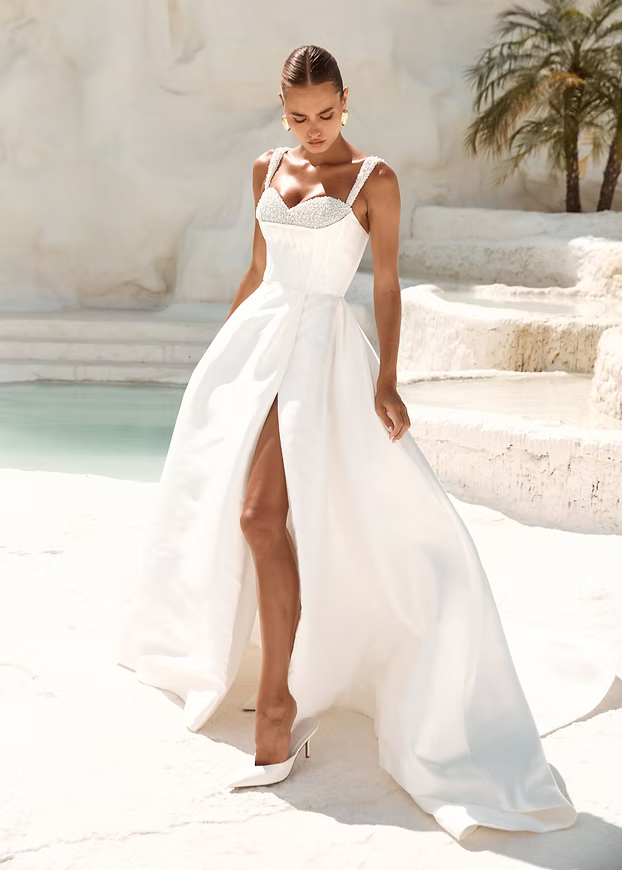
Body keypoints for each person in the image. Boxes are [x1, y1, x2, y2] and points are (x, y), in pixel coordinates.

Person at [117, 45, 614, 841]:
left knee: (264, 516)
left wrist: (389, 379)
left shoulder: (372, 179)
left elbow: (385, 285)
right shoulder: (264, 168)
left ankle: (280, 698)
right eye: (298, 115)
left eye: (326, 113)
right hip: (258, 347)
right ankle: (282, 675)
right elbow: (256, 270)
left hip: (322, 353)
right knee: (247, 515)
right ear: (282, 108)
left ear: (345, 102)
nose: (312, 130)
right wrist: (221, 356)